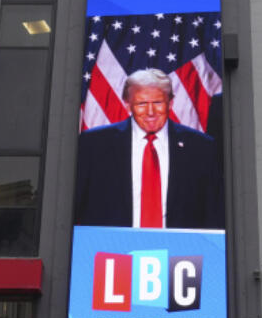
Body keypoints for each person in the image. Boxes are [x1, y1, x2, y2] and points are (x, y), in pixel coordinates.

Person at [73, 68, 223, 230]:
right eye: (142, 103)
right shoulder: (94, 145)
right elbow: (73, 208)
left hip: (180, 250)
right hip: (112, 249)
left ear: (170, 103)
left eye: (158, 103)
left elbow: (213, 214)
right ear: (128, 105)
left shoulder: (201, 148)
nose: (150, 112)